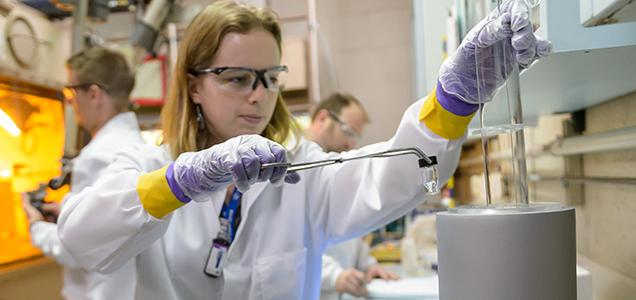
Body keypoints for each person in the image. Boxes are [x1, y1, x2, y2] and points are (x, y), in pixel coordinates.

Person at [57, 1, 550, 299]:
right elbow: (81, 237)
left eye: (271, 78)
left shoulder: (298, 169)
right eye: (236, 79)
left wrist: (454, 101)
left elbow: (388, 177)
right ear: (192, 87)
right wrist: (179, 184)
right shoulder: (148, 165)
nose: (259, 94)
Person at [21, 47, 142, 300]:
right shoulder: (139, 147)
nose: (69, 101)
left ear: (94, 94)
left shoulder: (97, 157)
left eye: (71, 91)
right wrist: (67, 209)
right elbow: (112, 222)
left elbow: (77, 248)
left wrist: (35, 227)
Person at [304, 93, 399, 299]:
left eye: (355, 137)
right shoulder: (292, 170)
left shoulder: (333, 169)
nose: (350, 145)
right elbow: (287, 248)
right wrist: (334, 276)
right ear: (322, 119)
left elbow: (350, 233)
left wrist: (368, 266)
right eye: (347, 132)